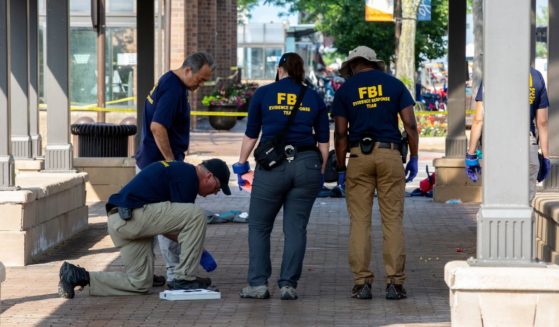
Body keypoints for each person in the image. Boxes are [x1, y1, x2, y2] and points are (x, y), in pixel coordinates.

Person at [57, 159, 231, 298]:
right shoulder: (188, 177)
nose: (215, 193)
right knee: (197, 215)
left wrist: (194, 245)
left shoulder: (178, 171)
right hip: (132, 217)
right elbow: (182, 226)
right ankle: (184, 278)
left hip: (121, 221)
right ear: (208, 176)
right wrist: (198, 250)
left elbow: (169, 227)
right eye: (217, 188)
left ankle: (77, 276)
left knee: (139, 283)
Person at [232, 52, 330, 300]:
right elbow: (323, 142)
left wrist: (241, 164)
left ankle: (258, 285)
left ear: (279, 70)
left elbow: (251, 135)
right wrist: (320, 170)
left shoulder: (264, 94)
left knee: (259, 226)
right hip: (307, 162)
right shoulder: (314, 96)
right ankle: (288, 285)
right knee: (296, 228)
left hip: (272, 166)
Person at [331, 46, 419, 300]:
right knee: (392, 221)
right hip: (390, 155)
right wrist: (413, 157)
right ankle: (394, 283)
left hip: (359, 157)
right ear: (373, 63)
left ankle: (362, 283)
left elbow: (339, 134)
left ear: (353, 65)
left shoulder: (346, 90)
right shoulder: (394, 85)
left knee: (359, 222)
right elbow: (410, 125)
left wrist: (340, 166)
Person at [135, 52, 215, 284]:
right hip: (158, 166)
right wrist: (172, 163)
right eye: (200, 79)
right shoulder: (173, 88)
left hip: (150, 163)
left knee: (149, 221)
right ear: (188, 70)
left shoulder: (170, 82)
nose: (200, 85)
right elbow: (158, 126)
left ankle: (144, 275)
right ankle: (176, 273)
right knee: (173, 217)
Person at [466, 67, 549, 201]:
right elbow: (543, 122)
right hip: (527, 144)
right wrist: (545, 157)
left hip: (499, 144)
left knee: (497, 202)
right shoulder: (536, 76)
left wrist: (471, 154)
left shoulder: (492, 74)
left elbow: (478, 120)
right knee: (525, 206)